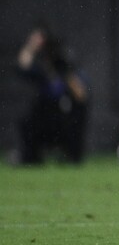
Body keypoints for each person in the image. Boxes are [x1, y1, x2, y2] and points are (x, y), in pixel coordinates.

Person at [12, 26, 88, 165]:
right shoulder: (42, 71)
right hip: (45, 117)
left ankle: (67, 155)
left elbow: (81, 95)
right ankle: (32, 157)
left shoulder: (66, 67)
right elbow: (23, 65)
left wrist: (66, 73)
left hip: (64, 118)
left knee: (73, 125)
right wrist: (32, 45)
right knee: (27, 123)